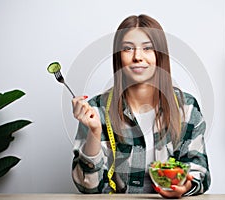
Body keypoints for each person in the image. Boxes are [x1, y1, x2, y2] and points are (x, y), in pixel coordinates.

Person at [71, 14, 210, 198]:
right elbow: (88, 187)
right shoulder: (95, 110)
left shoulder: (186, 108)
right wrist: (95, 132)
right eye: (128, 49)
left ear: (160, 55)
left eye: (147, 48)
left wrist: (185, 186)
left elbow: (199, 172)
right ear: (118, 57)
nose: (138, 57)